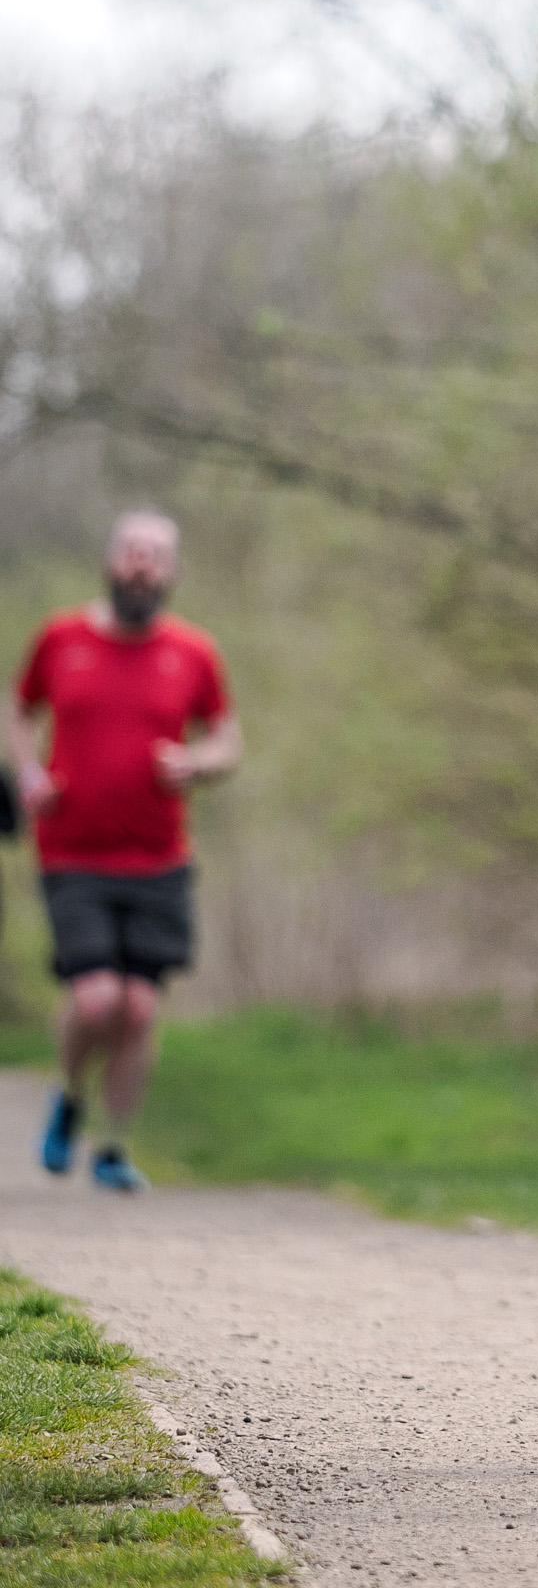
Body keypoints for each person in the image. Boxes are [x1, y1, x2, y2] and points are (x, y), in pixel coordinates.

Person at [3, 509, 241, 1191]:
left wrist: (198, 762)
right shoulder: (59, 638)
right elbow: (18, 709)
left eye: (156, 555)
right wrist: (27, 774)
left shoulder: (194, 653)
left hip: (160, 857)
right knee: (97, 999)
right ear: (111, 561)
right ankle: (70, 1098)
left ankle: (111, 1147)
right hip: (72, 851)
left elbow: (229, 742)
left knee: (140, 1007)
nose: (142, 564)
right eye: (132, 551)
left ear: (171, 571)